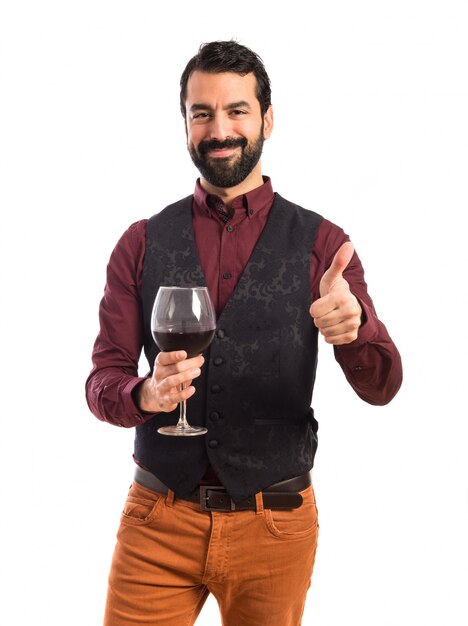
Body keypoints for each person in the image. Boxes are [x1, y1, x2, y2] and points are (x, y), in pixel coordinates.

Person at [86, 40, 403, 626]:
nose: (218, 129)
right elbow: (102, 377)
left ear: (267, 120)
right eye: (201, 113)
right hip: (158, 519)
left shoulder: (323, 246)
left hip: (275, 524)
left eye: (237, 110)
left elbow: (383, 385)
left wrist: (355, 330)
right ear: (184, 123)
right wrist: (142, 395)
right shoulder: (141, 242)